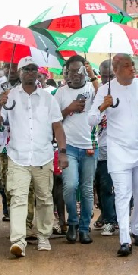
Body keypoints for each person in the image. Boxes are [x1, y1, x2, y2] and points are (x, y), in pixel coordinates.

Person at [0, 57, 68, 257]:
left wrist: (62, 152)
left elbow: (57, 126)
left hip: (43, 156)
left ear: (38, 73)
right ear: (19, 72)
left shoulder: (48, 97)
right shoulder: (10, 96)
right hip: (18, 156)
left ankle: (43, 237)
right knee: (18, 198)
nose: (30, 72)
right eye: (26, 69)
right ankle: (18, 241)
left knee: (44, 198)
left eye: (33, 69)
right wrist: (0, 104)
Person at [88, 54, 138, 256]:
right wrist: (103, 106)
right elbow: (91, 119)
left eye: (132, 65)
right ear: (116, 69)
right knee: (122, 193)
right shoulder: (105, 90)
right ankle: (125, 239)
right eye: (127, 66)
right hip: (118, 150)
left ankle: (137, 229)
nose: (132, 69)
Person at [55, 55, 99, 244]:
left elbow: (104, 96)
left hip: (89, 146)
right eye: (72, 71)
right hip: (69, 147)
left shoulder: (91, 89)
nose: (76, 74)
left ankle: (84, 228)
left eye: (79, 70)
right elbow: (54, 120)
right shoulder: (60, 93)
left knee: (87, 189)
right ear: (66, 73)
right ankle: (72, 222)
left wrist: (92, 75)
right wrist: (69, 108)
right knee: (70, 186)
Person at [0, 63, 21, 222]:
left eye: (16, 67)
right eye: (9, 67)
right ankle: (12, 215)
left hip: (26, 144)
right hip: (4, 143)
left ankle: (21, 220)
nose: (12, 70)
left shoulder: (31, 86)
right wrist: (0, 102)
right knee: (7, 183)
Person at [94, 60, 117, 236]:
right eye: (104, 76)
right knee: (103, 186)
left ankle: (114, 219)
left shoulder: (124, 92)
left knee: (120, 188)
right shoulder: (97, 94)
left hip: (121, 149)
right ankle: (108, 217)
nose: (107, 79)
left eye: (110, 76)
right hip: (100, 148)